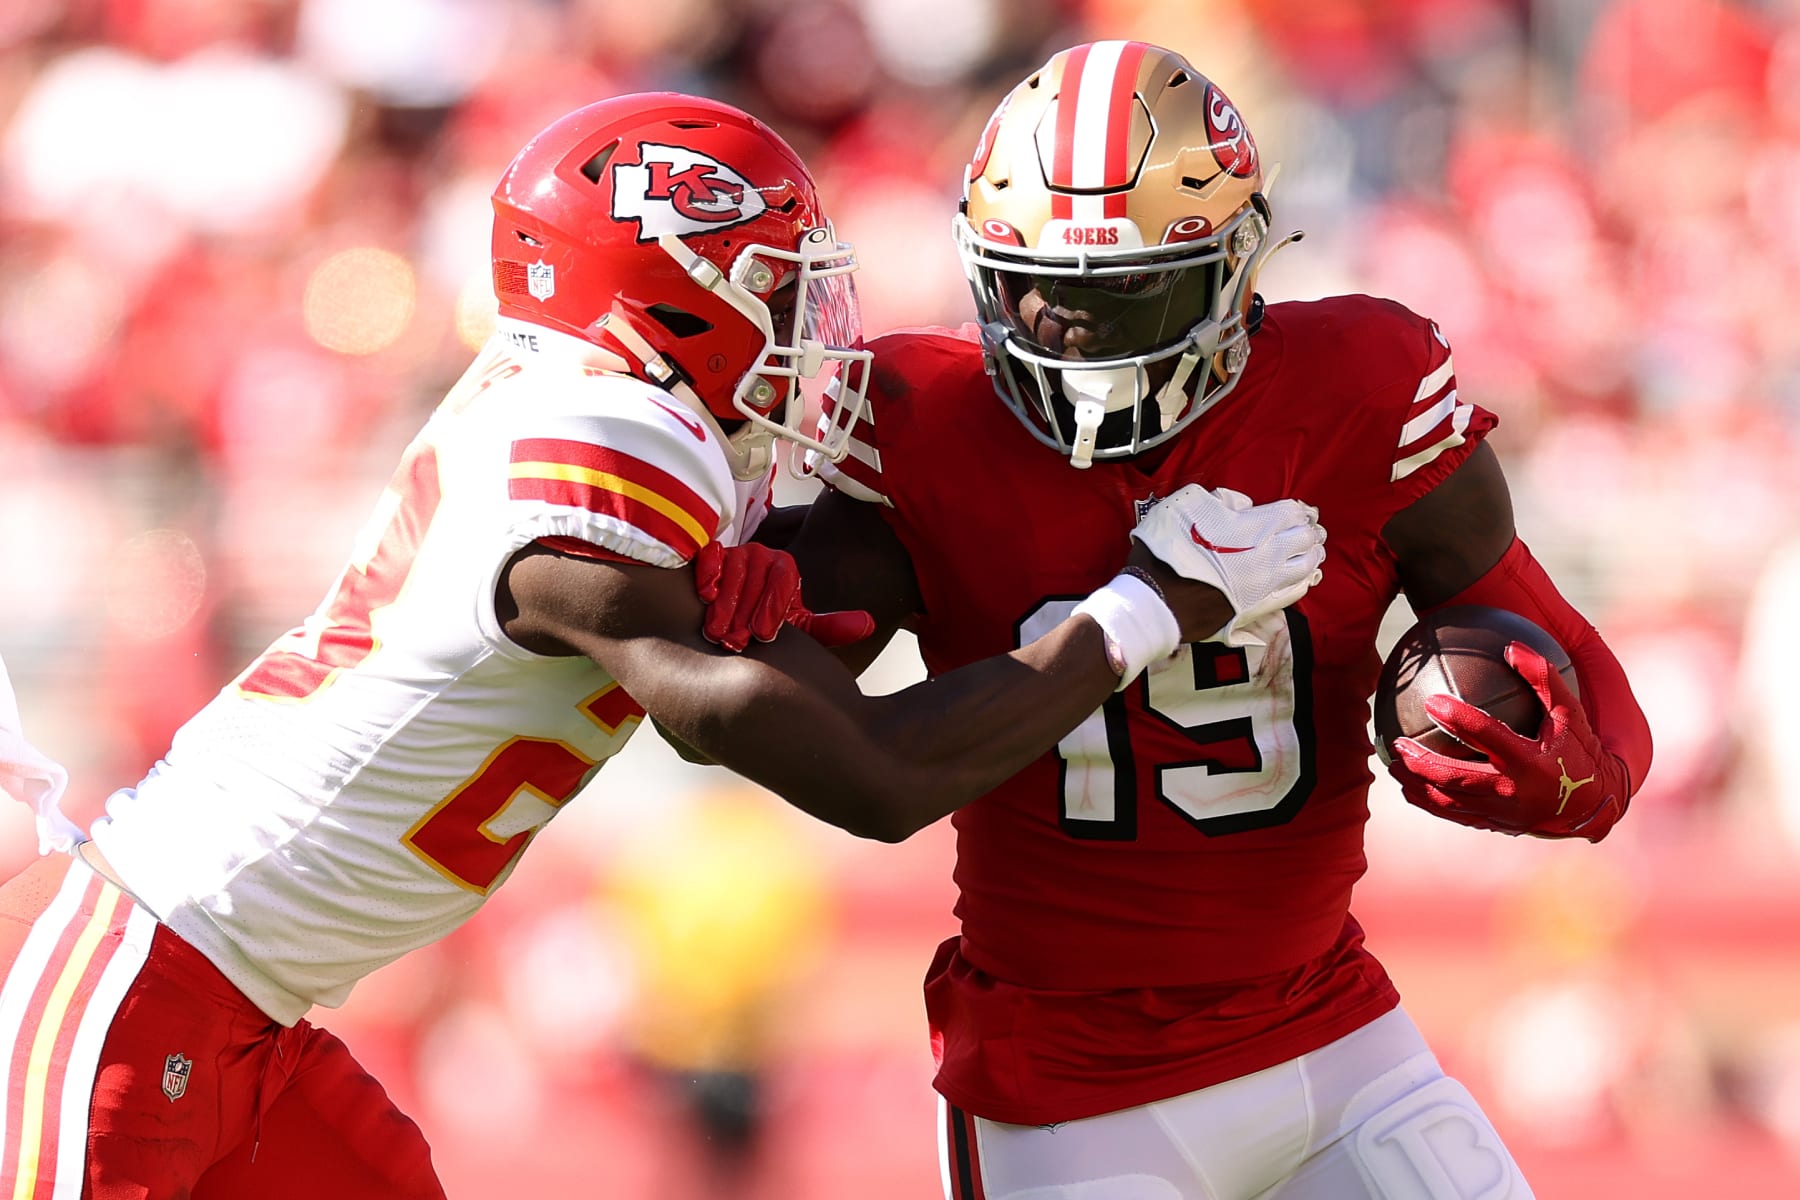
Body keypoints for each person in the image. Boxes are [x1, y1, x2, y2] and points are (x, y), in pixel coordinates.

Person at [0, 93, 1328, 1197]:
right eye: (775, 287)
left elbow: (781, 683)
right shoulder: (609, 438)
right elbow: (870, 776)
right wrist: (1147, 609)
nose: (812, 325)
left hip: (242, 1008)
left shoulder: (602, 421)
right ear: (663, 294)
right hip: (137, 978)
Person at [758, 41, 1656, 1199]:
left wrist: (1589, 777)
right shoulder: (925, 419)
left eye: (1122, 285)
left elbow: (1570, 652)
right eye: (1030, 279)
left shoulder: (1359, 388)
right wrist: (734, 595)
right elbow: (826, 731)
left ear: (1235, 265)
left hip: (1330, 1031)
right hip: (1066, 1088)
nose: (1064, 324)